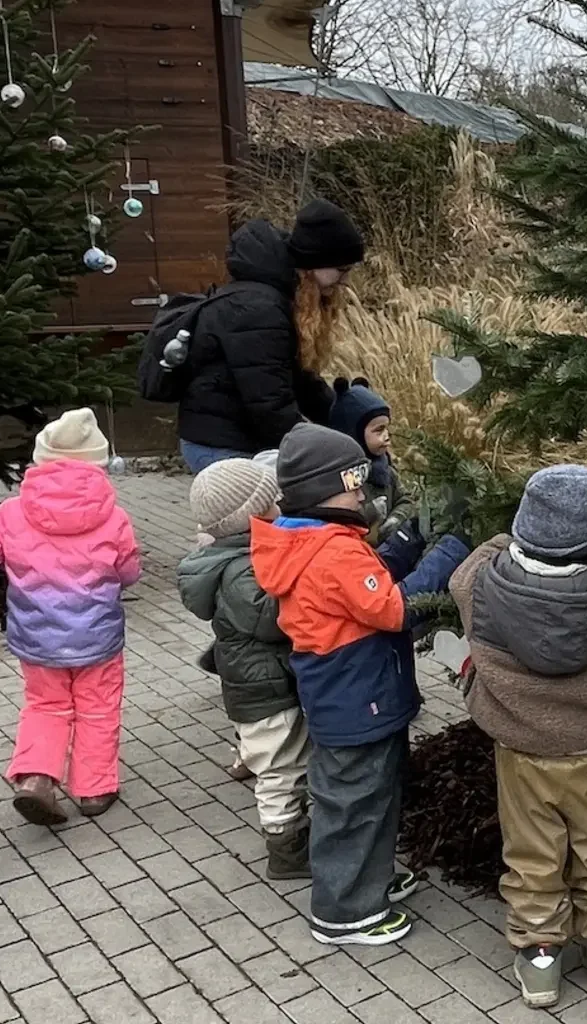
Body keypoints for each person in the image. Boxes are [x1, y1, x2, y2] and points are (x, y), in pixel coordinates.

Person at [251, 424, 468, 946]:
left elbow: (371, 578)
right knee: (354, 803)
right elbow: (393, 607)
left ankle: (367, 879)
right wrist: (448, 551)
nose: (363, 495)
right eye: (354, 485)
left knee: (374, 794)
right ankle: (343, 911)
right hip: (358, 701)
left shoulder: (317, 541)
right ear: (325, 490)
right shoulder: (333, 552)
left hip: (357, 697)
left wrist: (410, 539)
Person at [448, 465, 587, 1008]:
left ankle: (541, 962)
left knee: (532, 854)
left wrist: (510, 537)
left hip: (522, 746)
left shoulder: (481, 580)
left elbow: (468, 570)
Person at [0, 410, 141, 825]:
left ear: (42, 458)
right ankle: (94, 790)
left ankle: (38, 778)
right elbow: (129, 572)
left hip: (36, 639)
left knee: (45, 705)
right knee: (98, 707)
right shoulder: (114, 516)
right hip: (98, 639)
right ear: (97, 463)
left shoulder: (11, 512)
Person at [178, 458, 312, 879]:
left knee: (288, 762)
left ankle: (294, 834)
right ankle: (286, 850)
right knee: (278, 770)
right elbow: (270, 621)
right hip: (263, 691)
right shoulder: (241, 571)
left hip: (262, 682)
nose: (281, 505)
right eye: (273, 501)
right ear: (253, 517)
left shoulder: (240, 558)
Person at [177, 199, 365, 472]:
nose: (345, 281)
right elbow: (270, 405)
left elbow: (301, 382)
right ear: (315, 263)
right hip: (222, 444)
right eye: (342, 269)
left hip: (238, 437)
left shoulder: (279, 298)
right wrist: (329, 449)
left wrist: (352, 421)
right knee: (263, 513)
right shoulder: (259, 310)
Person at [327, 377, 415, 549]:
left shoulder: (386, 470)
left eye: (387, 428)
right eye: (378, 430)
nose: (387, 436)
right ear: (353, 434)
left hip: (389, 548)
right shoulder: (343, 478)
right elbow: (340, 521)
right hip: (357, 554)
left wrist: (396, 518)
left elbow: (406, 499)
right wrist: (371, 511)